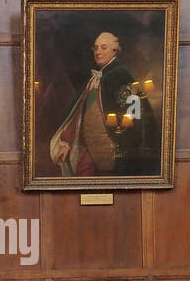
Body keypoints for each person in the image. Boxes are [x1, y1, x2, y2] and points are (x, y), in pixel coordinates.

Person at [49, 31, 157, 176]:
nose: (98, 52)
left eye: (104, 47)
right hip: (87, 149)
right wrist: (67, 143)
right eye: (96, 48)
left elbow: (135, 114)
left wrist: (123, 147)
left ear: (114, 51)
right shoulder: (94, 79)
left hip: (113, 152)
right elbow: (78, 114)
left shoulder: (121, 75)